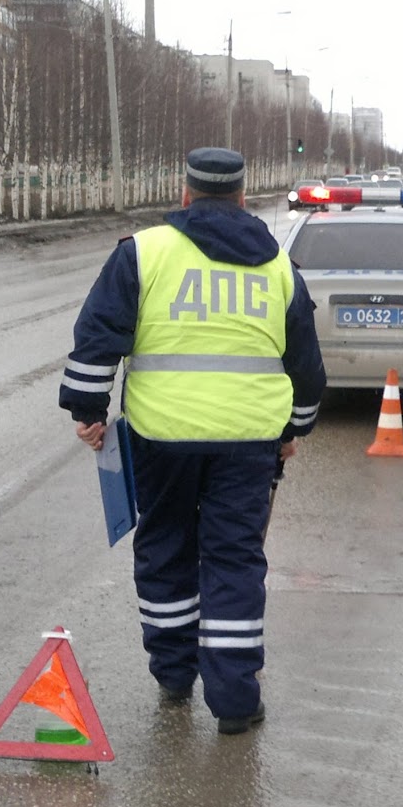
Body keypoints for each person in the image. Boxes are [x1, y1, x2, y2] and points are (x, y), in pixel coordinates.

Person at [59, 147, 326, 735]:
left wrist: (88, 410)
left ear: (185, 195)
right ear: (240, 196)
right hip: (249, 442)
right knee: (234, 559)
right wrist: (293, 430)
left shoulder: (144, 253)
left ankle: (175, 676)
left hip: (163, 437)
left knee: (166, 549)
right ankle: (234, 701)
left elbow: (98, 337)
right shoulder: (278, 266)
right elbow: (306, 367)